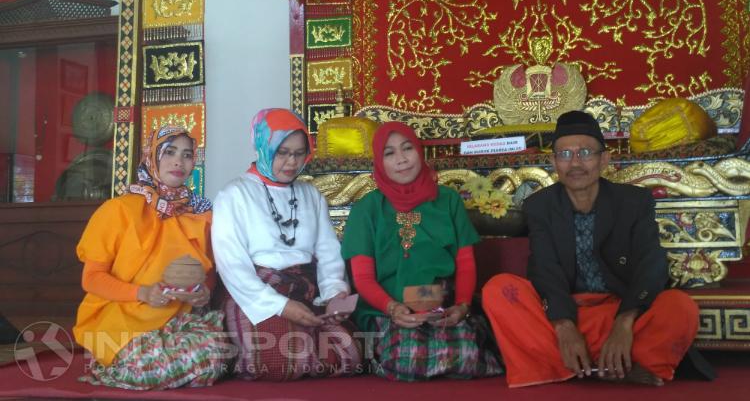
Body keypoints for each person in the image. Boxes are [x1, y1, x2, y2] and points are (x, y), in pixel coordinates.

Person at [482, 110, 699, 388]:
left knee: (680, 307)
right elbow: (544, 269)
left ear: (604, 159)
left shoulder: (633, 202)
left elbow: (651, 263)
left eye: (585, 152)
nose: (575, 163)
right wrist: (563, 325)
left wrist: (624, 323)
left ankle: (574, 364)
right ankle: (614, 366)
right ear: (553, 162)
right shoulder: (540, 206)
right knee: (498, 290)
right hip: (566, 309)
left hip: (619, 309)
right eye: (565, 154)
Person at [340, 122, 503, 381]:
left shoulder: (448, 200)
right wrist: (393, 308)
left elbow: (466, 263)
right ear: (379, 162)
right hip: (388, 311)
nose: (401, 159)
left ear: (420, 151)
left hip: (443, 308)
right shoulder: (366, 209)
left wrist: (461, 307)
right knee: (408, 356)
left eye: (407, 149)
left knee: (468, 355)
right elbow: (363, 279)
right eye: (389, 153)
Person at [212, 108, 361, 381]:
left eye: (299, 153)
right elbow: (232, 265)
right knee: (277, 358)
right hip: (255, 293)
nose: (292, 162)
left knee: (350, 351)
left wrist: (334, 295)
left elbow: (328, 253)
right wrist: (280, 306)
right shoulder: (234, 194)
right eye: (282, 152)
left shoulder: (311, 194)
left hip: (305, 289)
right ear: (263, 146)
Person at [73, 125, 224, 390]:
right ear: (151, 156)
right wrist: (142, 293)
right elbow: (92, 278)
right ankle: (120, 363)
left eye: (187, 155)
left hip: (176, 320)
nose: (179, 161)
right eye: (169, 152)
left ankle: (152, 366)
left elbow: (208, 274)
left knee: (217, 356)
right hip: (121, 317)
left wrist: (203, 293)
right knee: (148, 367)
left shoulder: (201, 215)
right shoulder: (118, 210)